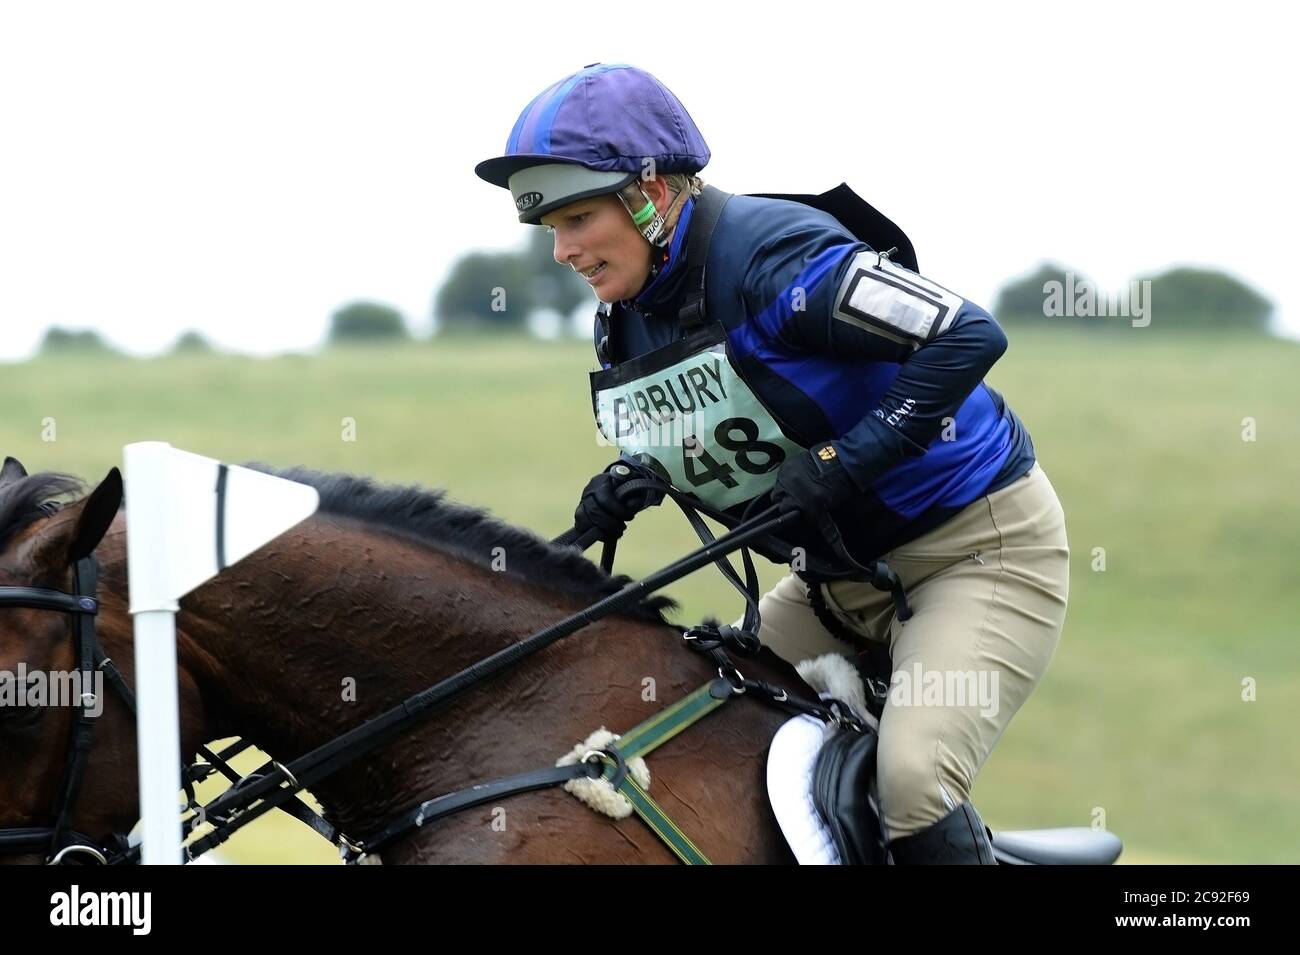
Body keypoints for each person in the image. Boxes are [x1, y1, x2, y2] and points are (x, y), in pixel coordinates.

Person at [474, 63, 1069, 864]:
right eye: (551, 227)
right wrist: (634, 476)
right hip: (831, 584)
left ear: (653, 189)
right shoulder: (626, 317)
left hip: (974, 553)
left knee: (912, 781)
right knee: (681, 740)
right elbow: (718, 431)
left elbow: (969, 335)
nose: (563, 250)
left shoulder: (775, 254)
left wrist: (850, 459)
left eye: (579, 217)